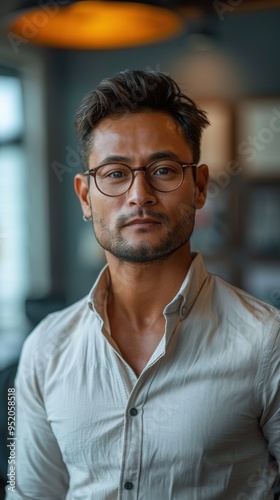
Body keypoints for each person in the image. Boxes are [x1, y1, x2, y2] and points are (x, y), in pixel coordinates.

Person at [6, 70, 280, 500]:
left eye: (164, 169)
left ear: (200, 186)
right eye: (115, 173)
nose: (139, 194)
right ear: (84, 196)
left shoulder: (268, 341)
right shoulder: (44, 349)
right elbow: (29, 494)